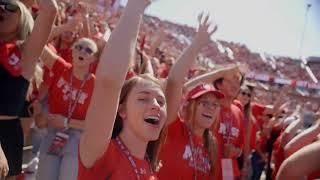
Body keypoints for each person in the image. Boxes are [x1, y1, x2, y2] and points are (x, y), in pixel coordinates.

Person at [78, 0, 172, 179]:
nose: (156, 105)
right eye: (143, 98)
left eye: (161, 101)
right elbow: (109, 82)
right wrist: (135, 7)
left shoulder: (149, 167)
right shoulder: (102, 152)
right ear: (121, 110)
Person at [157, 13, 222, 180]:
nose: (211, 108)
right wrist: (197, 43)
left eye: (215, 105)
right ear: (189, 105)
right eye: (204, 102)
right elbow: (174, 81)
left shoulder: (212, 144)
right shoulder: (173, 127)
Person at [0, 0, 57, 179]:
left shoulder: (25, 55)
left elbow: (49, 10)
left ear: (23, 19)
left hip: (7, 135)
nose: (2, 9)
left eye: (10, 7)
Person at [36, 37, 99, 180]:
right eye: (78, 47)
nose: (82, 51)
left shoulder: (96, 85)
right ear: (72, 51)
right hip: (53, 133)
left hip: (77, 138)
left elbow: (96, 124)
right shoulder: (60, 67)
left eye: (88, 50)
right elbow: (37, 41)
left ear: (93, 59)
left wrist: (67, 122)